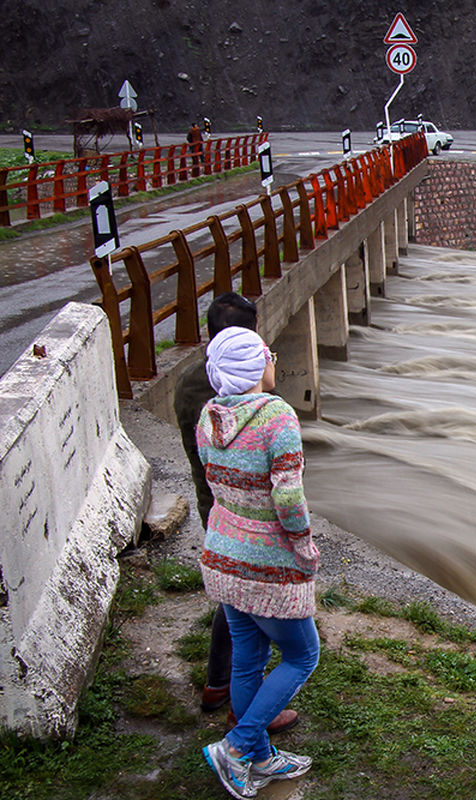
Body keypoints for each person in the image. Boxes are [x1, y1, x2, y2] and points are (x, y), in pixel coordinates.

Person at [199, 326, 320, 799]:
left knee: (248, 660)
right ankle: (239, 746)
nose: (274, 359)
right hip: (267, 563)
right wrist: (304, 546)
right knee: (302, 655)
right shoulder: (277, 417)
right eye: (269, 353)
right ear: (257, 367)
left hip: (223, 556)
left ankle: (263, 757)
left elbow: (220, 488)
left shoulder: (208, 416)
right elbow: (288, 497)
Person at [175, 292, 298, 736]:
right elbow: (276, 471)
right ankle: (244, 713)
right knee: (257, 616)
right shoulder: (249, 399)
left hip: (215, 506)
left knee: (232, 601)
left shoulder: (190, 384)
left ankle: (216, 686)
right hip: (249, 512)